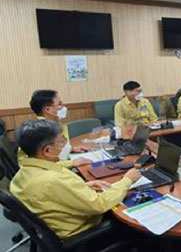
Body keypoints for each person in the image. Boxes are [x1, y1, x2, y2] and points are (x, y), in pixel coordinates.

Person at [10, 120, 142, 239]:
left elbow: (56, 193)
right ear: (48, 151)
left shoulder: (23, 172)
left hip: (56, 224)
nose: (65, 145)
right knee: (137, 221)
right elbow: (99, 205)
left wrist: (86, 185)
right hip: (82, 233)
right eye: (61, 141)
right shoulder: (54, 180)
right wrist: (127, 180)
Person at [18, 90, 90, 168]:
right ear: (47, 110)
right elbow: (38, 165)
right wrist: (72, 163)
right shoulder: (40, 132)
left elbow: (54, 150)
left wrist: (70, 149)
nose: (63, 107)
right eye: (59, 104)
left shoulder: (54, 124)